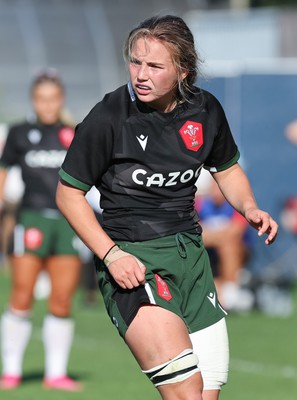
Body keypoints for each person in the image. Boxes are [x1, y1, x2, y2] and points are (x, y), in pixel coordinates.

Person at [56, 15, 278, 400]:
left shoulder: (205, 110)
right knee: (187, 392)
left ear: (182, 71)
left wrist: (249, 207)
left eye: (155, 66)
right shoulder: (109, 117)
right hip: (134, 262)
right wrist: (111, 256)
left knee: (207, 394)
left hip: (192, 260)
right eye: (135, 61)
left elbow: (225, 168)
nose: (141, 74)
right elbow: (67, 194)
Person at [0, 71, 82, 391]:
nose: (47, 104)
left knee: (61, 299)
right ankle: (11, 371)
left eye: (53, 98)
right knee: (22, 294)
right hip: (31, 220)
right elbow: (3, 170)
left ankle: (56, 373)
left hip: (67, 222)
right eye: (41, 98)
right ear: (34, 100)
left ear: (61, 99)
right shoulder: (20, 133)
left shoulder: (74, 133)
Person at [195, 180, 254, 312]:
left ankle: (230, 293)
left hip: (238, 253)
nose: (216, 190)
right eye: (213, 186)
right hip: (209, 254)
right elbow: (194, 235)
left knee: (228, 246)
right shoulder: (200, 204)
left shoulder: (237, 205)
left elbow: (236, 232)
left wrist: (210, 235)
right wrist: (221, 236)